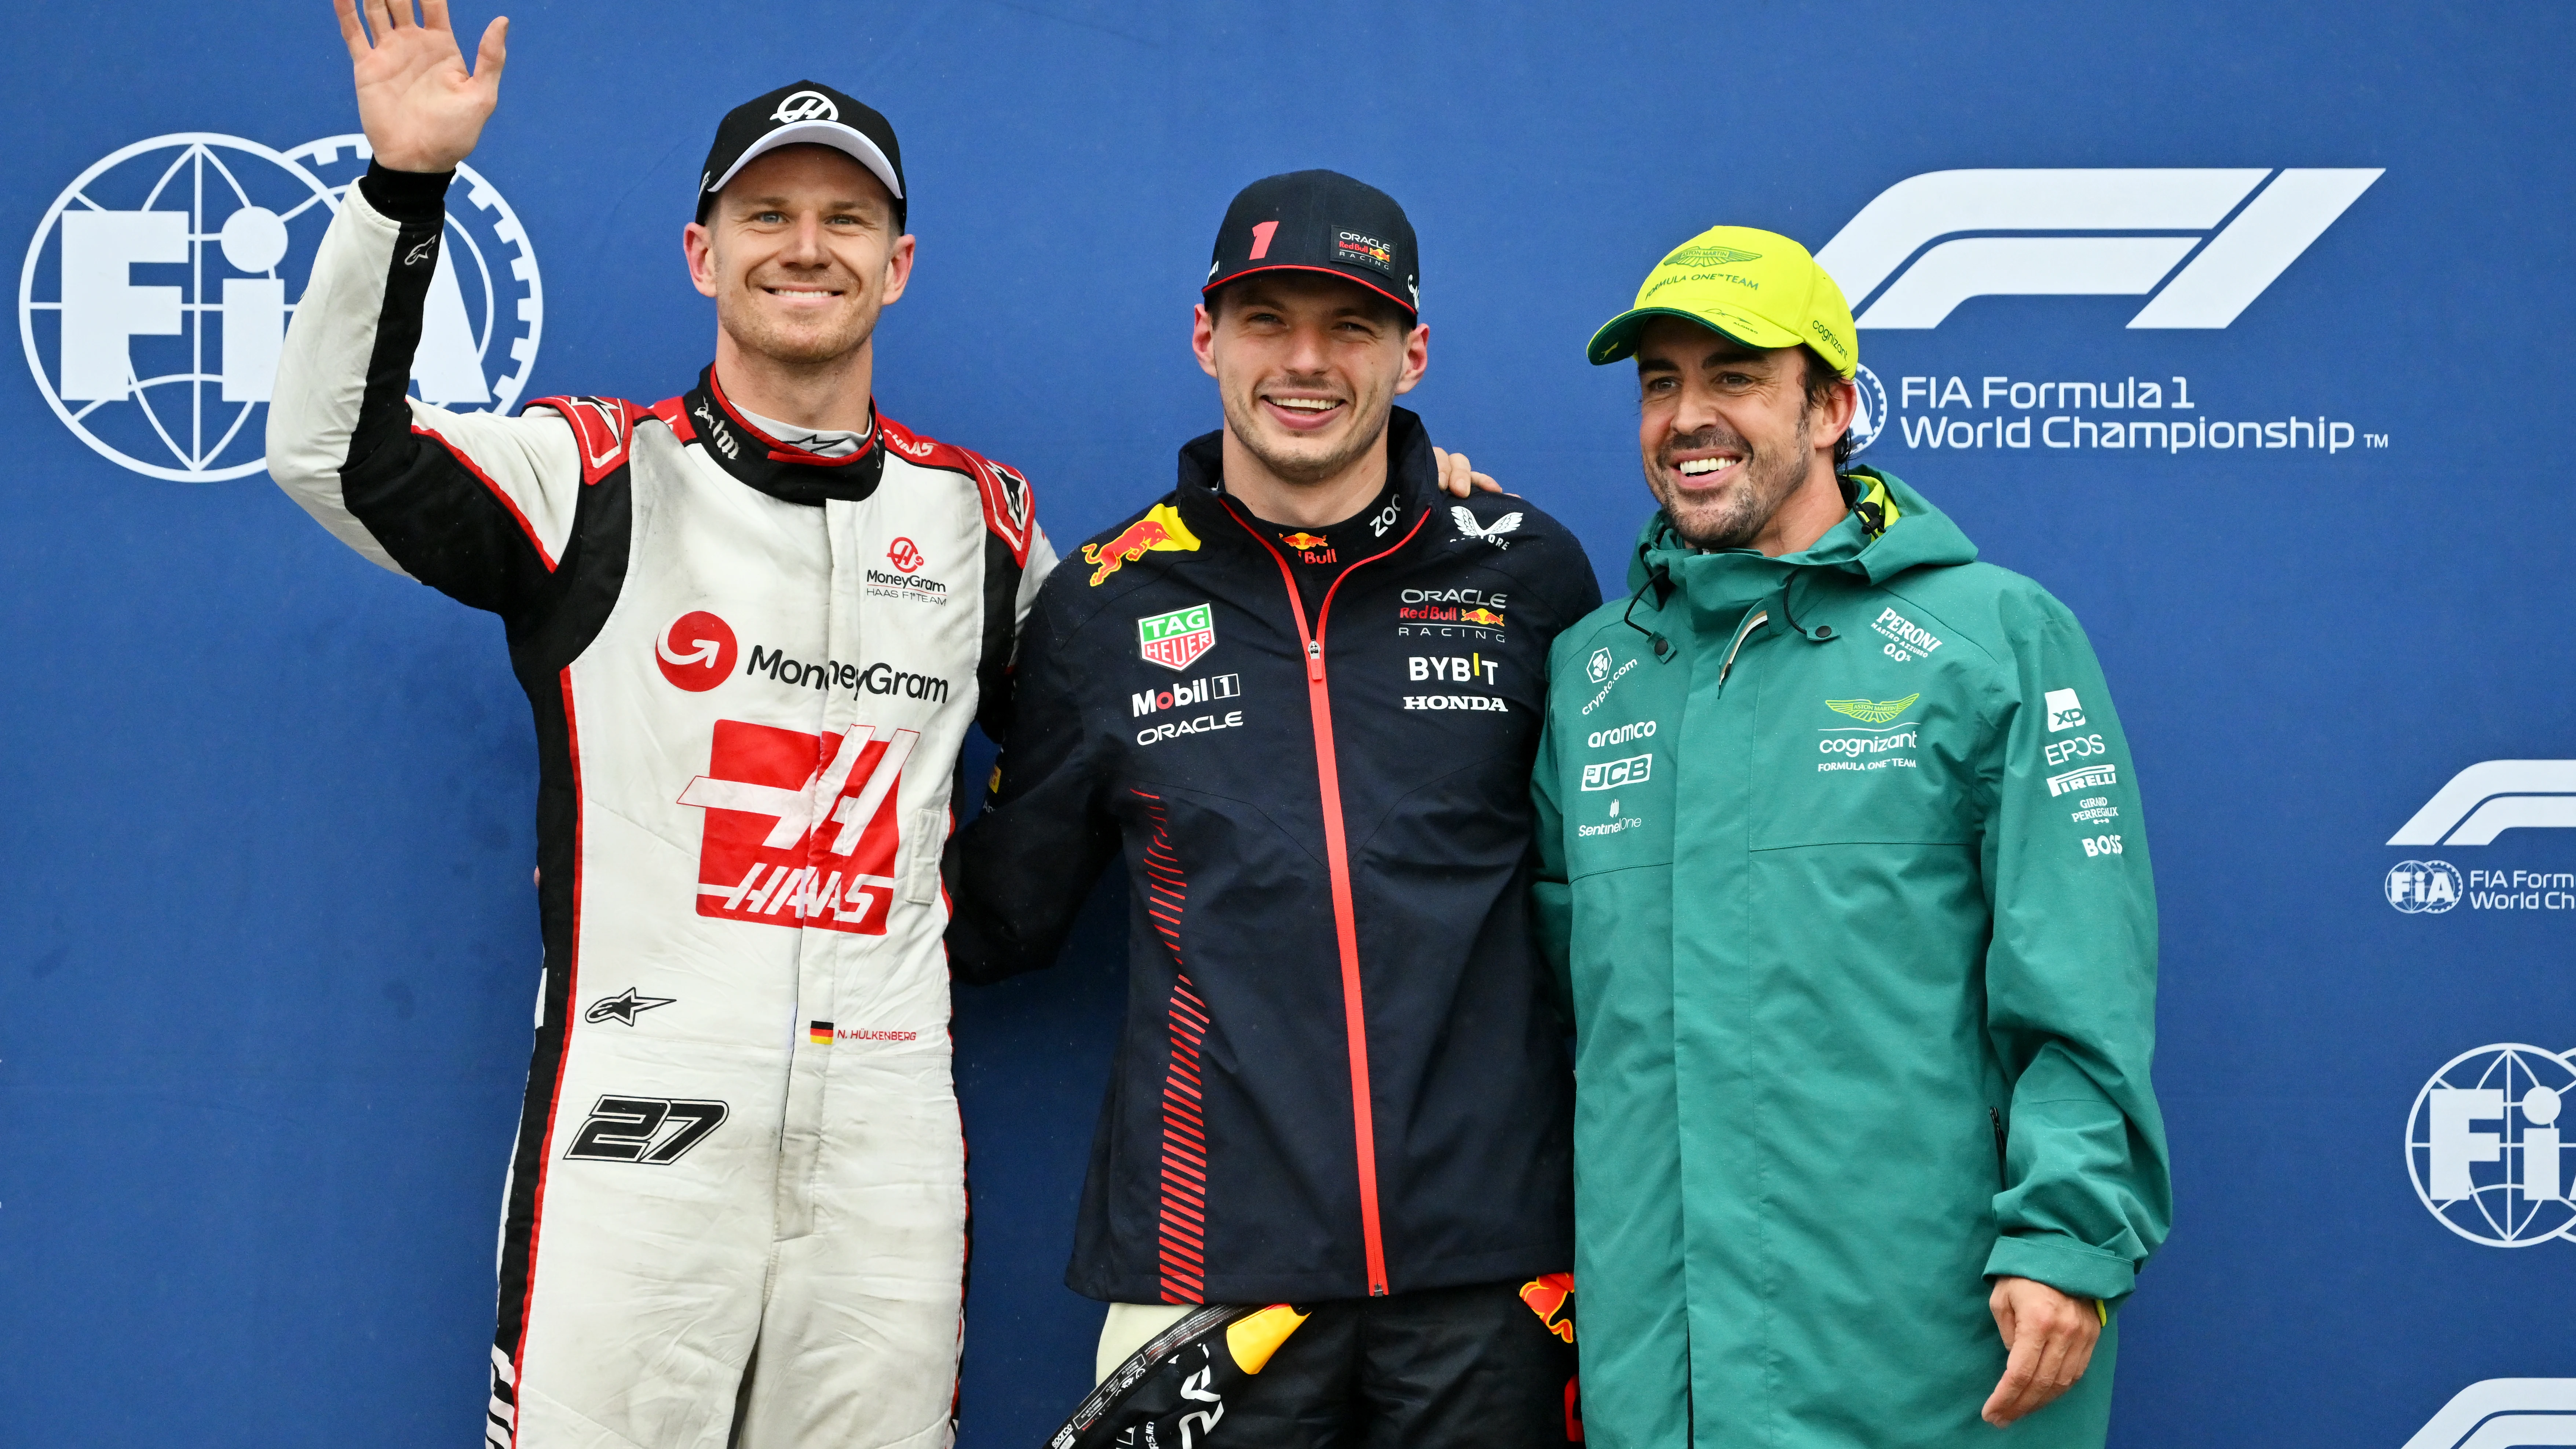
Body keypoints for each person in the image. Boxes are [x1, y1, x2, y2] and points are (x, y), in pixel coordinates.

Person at [270, 4, 1060, 1445]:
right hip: (638, 1131)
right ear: (703, 253)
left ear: (900, 264)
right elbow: (329, 453)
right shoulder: (591, 477)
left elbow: (1098, 748)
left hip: (886, 1150)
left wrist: (981, 925)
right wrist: (404, 190)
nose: (805, 244)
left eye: (845, 218)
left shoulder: (982, 521)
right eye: (766, 213)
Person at [945, 171, 1598, 1446]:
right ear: (1206, 339)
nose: (1305, 362)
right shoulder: (1102, 601)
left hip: (1494, 1266)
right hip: (1211, 1262)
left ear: (1412, 353)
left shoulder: (1526, 570)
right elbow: (1000, 914)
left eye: (1349, 326)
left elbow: (1618, 884)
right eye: (1265, 319)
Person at [1530, 227, 2172, 1449]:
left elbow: (2079, 975)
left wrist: (2068, 1230)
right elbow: (1577, 1005)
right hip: (1659, 1361)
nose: (1687, 416)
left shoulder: (1993, 636)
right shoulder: (1592, 669)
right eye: (1660, 381)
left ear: (1830, 407)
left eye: (1733, 377)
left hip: (1920, 1346)